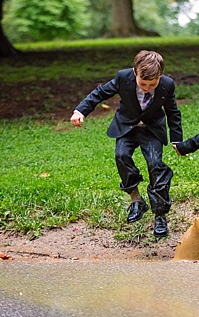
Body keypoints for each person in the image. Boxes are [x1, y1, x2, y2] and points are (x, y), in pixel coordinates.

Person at [69, 49, 183, 238]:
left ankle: (160, 214)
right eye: (143, 83)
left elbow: (173, 112)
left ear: (160, 77)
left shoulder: (167, 85)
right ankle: (136, 200)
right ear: (134, 72)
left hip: (152, 129)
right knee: (121, 156)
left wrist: (178, 140)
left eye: (152, 84)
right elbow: (99, 93)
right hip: (127, 128)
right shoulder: (123, 77)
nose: (147, 87)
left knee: (155, 165)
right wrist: (80, 111)